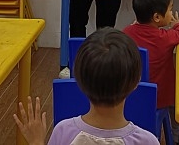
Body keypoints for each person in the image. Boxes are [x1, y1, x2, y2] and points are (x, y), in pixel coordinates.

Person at [14, 28, 160, 145]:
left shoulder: (63, 132)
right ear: (136, 82)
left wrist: (37, 142)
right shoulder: (147, 141)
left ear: (79, 80)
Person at [123, 0, 179, 144]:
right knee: (178, 104)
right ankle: (177, 139)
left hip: (129, 94)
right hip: (160, 98)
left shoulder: (126, 33)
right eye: (170, 9)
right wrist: (176, 24)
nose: (171, 13)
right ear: (157, 17)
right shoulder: (165, 38)